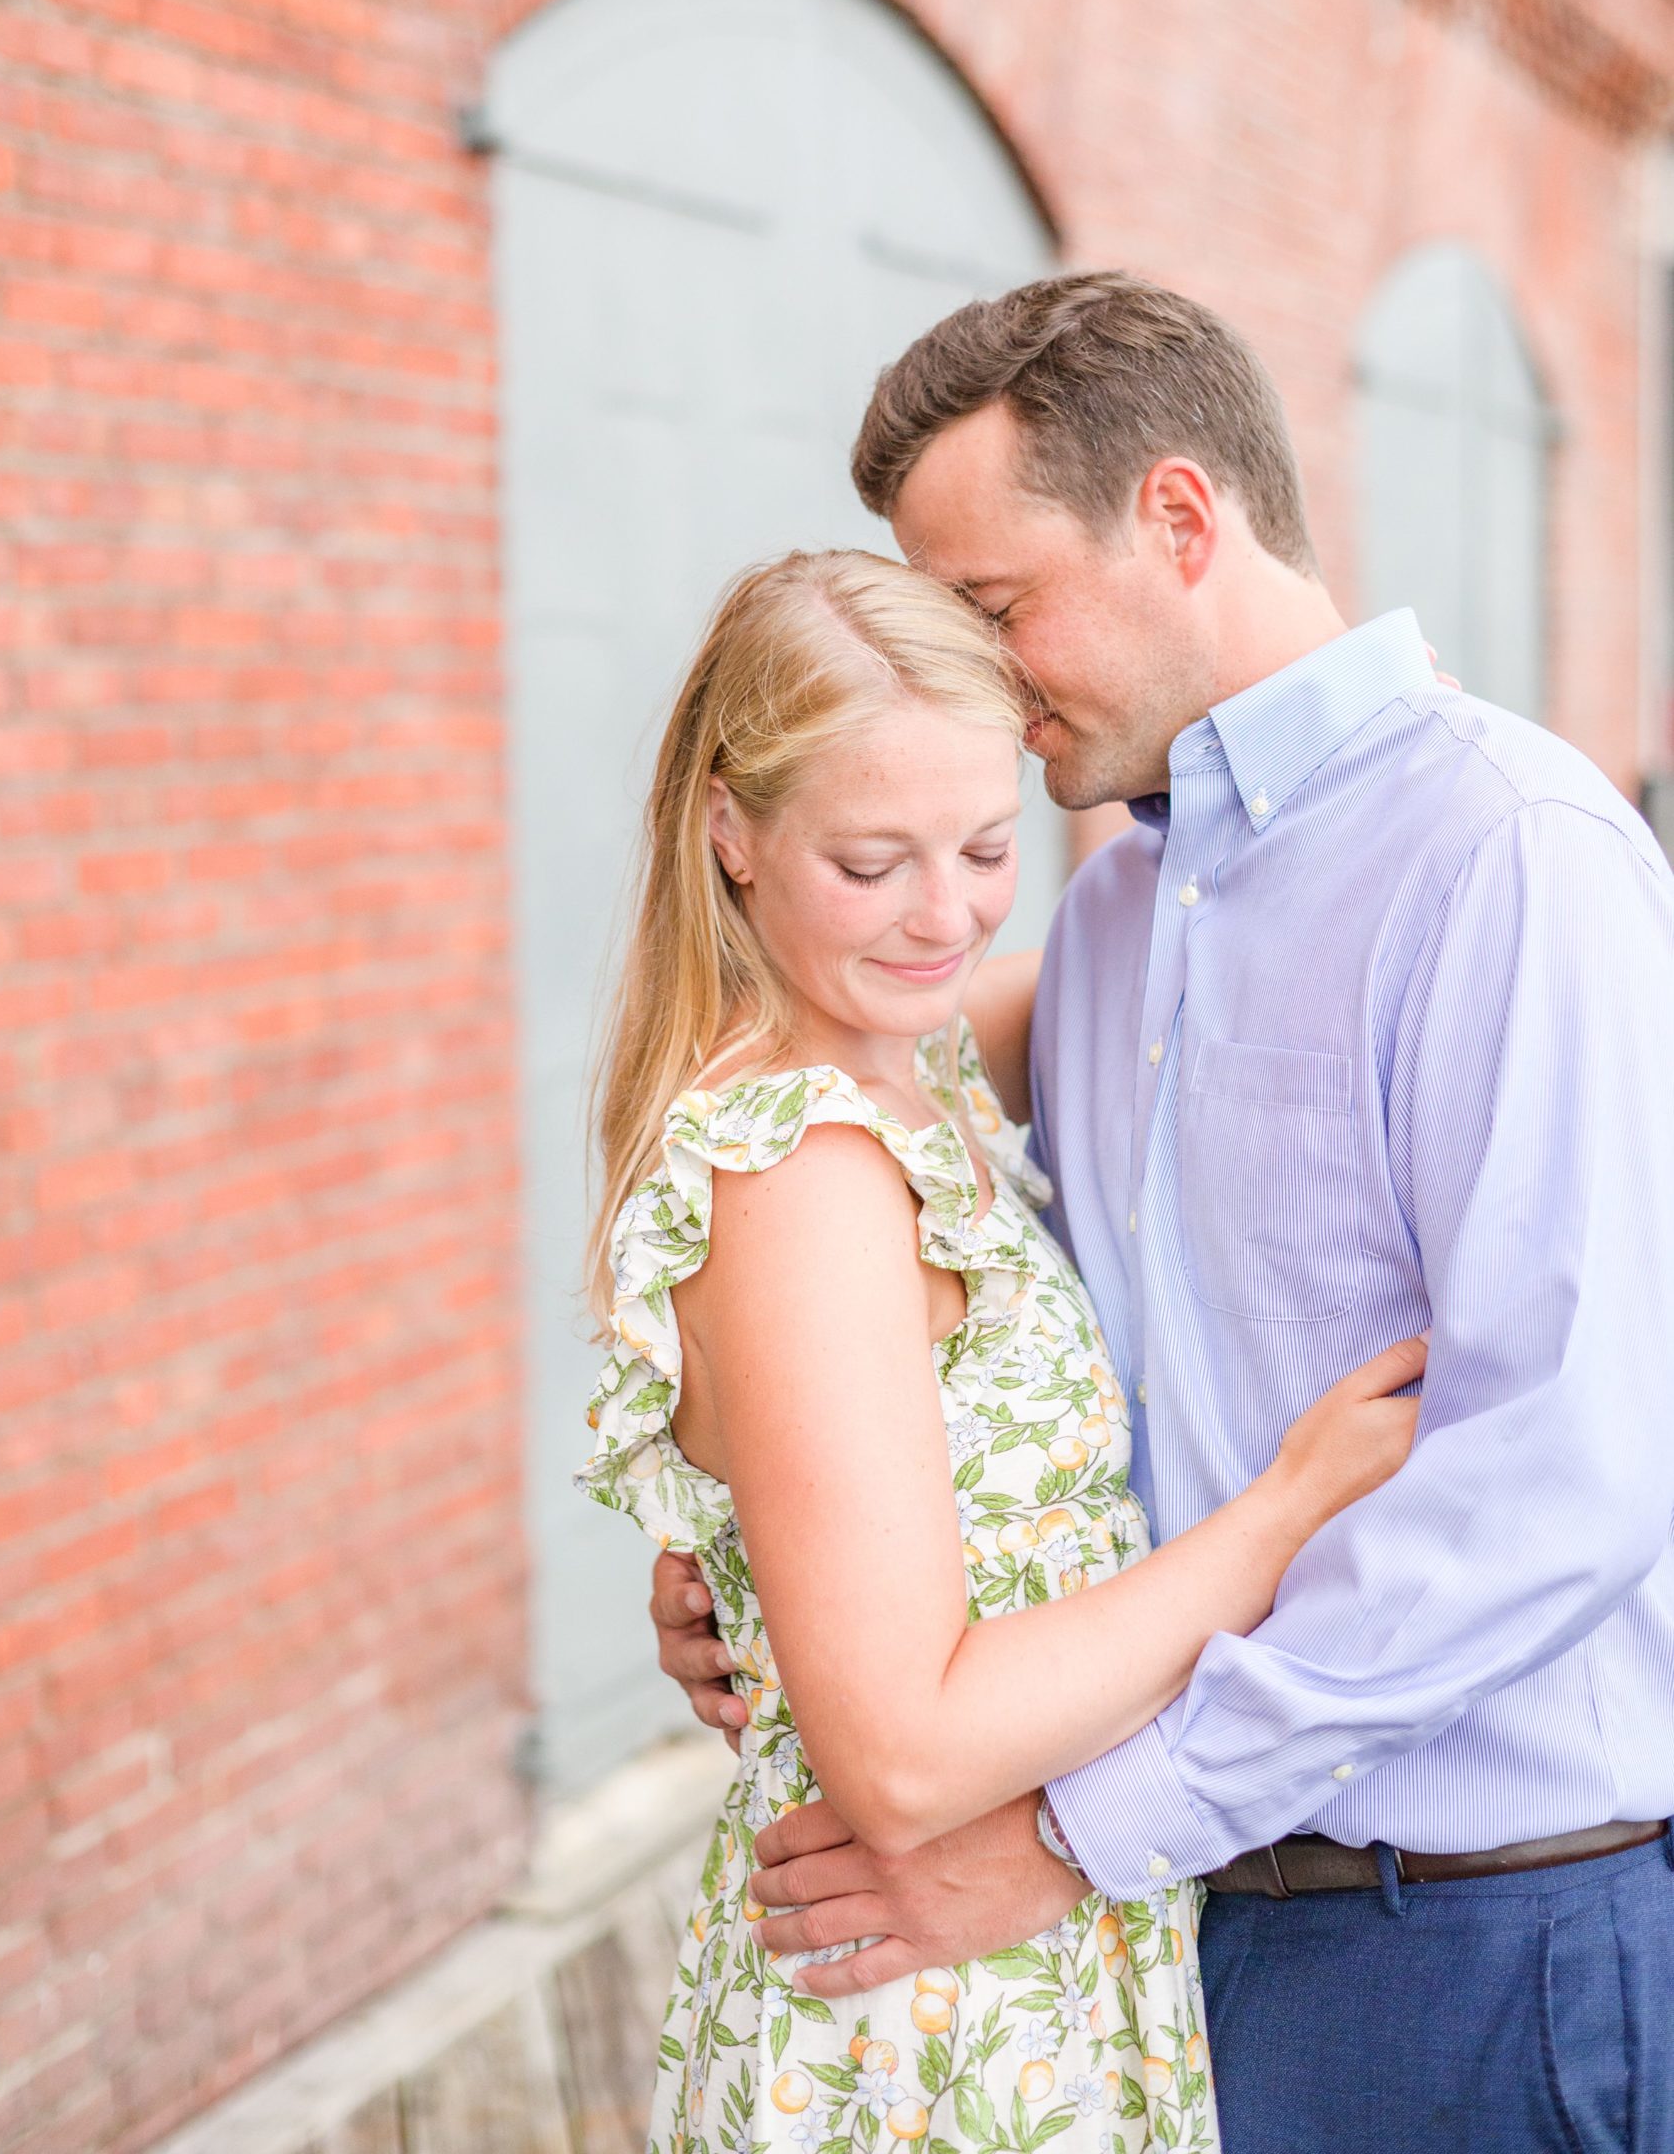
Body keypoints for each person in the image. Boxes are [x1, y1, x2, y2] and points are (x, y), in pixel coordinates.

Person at [650, 273, 1674, 2154]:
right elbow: (906, 1291)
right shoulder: (1117, 918)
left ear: (1181, 520)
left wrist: (1073, 1835)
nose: (977, 677)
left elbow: (1569, 1474)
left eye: (992, 609)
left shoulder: (1506, 856)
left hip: (1477, 1939)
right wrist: (770, 1547)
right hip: (1180, 1943)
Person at [577, 546, 1423, 2154]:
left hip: (1035, 1969)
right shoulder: (803, 1169)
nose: (944, 914)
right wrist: (1283, 1512)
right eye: (872, 860)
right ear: (729, 831)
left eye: (982, 846)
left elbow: (1196, 981)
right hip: (923, 2023)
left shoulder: (919, 1059)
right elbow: (903, 1754)